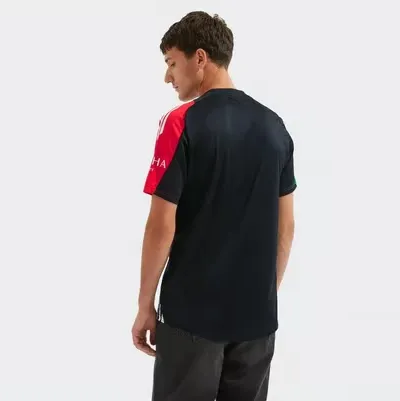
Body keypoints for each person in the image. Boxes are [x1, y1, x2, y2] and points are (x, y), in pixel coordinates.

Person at [131, 11, 296, 401]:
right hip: (256, 321)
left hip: (191, 319)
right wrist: (261, 296)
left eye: (172, 63)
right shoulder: (275, 127)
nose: (168, 76)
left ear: (200, 58)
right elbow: (286, 227)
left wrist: (145, 305)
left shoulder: (180, 123)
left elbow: (161, 226)